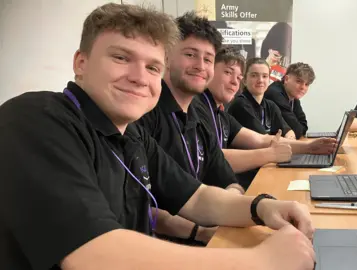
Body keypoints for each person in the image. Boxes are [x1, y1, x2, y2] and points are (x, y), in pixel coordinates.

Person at [0, 4, 316, 270]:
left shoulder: (132, 134)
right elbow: (94, 254)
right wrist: (259, 261)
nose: (140, 77)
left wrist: (261, 207)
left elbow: (198, 197)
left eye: (152, 66)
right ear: (80, 63)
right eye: (121, 58)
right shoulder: (35, 118)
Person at [136, 11, 244, 245]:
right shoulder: (143, 113)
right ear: (166, 58)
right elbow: (141, 207)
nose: (200, 66)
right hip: (162, 243)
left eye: (208, 59)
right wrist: (201, 231)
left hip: (206, 230)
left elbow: (227, 178)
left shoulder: (199, 112)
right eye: (190, 54)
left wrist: (231, 205)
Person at [193, 48, 337, 189]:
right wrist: (270, 154)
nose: (234, 82)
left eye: (238, 77)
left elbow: (261, 139)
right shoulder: (197, 108)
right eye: (228, 72)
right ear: (209, 71)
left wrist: (309, 147)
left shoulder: (220, 113)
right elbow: (212, 157)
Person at [228, 57, 296, 140]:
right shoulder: (240, 104)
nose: (260, 80)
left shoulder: (271, 106)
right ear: (245, 80)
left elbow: (289, 131)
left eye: (264, 76)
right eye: (254, 75)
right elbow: (263, 139)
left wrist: (289, 137)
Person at [264, 62, 315, 139]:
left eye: (306, 84)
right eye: (299, 81)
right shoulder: (275, 93)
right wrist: (298, 130)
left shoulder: (294, 97)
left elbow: (303, 127)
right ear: (287, 79)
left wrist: (298, 130)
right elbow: (297, 130)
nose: (303, 87)